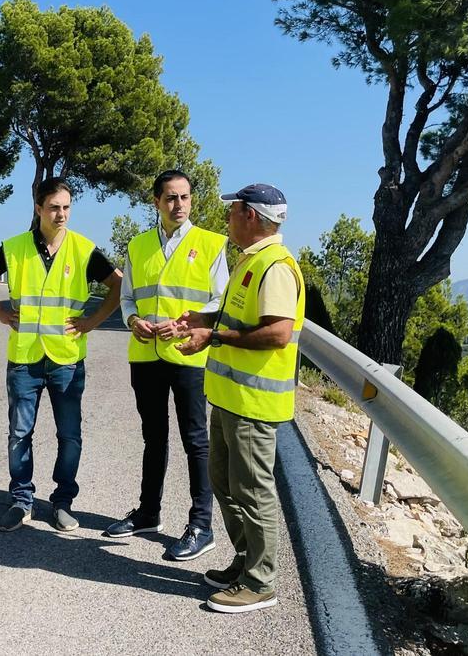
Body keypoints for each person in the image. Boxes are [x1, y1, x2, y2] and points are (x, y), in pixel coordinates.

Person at [174, 183, 304, 613]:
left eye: (232, 211)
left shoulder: (276, 267)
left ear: (251, 216)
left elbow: (278, 333)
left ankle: (261, 582)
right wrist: (203, 318)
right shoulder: (252, 261)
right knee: (225, 482)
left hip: (254, 406)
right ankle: (247, 562)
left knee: (252, 490)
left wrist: (212, 335)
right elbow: (239, 318)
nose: (227, 217)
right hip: (231, 398)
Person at [0, 177, 122, 533]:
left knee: (70, 435)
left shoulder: (84, 249)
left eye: (67, 207)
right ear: (38, 209)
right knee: (19, 433)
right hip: (24, 358)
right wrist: (2, 314)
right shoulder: (16, 247)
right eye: (54, 207)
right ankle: (21, 501)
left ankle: (62, 502)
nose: (62, 214)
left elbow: (118, 284)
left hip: (66, 359)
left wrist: (92, 322)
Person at [104, 170, 229, 563]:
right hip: (145, 355)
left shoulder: (211, 244)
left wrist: (188, 321)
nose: (179, 205)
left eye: (185, 197)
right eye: (171, 198)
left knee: (196, 440)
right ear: (156, 201)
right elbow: (128, 298)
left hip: (188, 356)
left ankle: (201, 525)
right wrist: (132, 321)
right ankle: (148, 513)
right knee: (153, 437)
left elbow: (219, 299)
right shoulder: (138, 245)